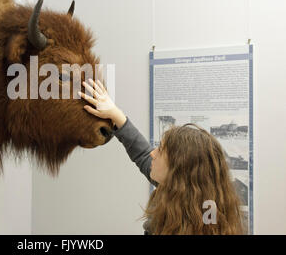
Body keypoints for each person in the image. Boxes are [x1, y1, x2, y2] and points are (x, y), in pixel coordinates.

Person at [78, 78, 244, 235]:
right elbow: (142, 153)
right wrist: (115, 114)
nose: (152, 153)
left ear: (178, 168)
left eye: (161, 150)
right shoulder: (183, 192)